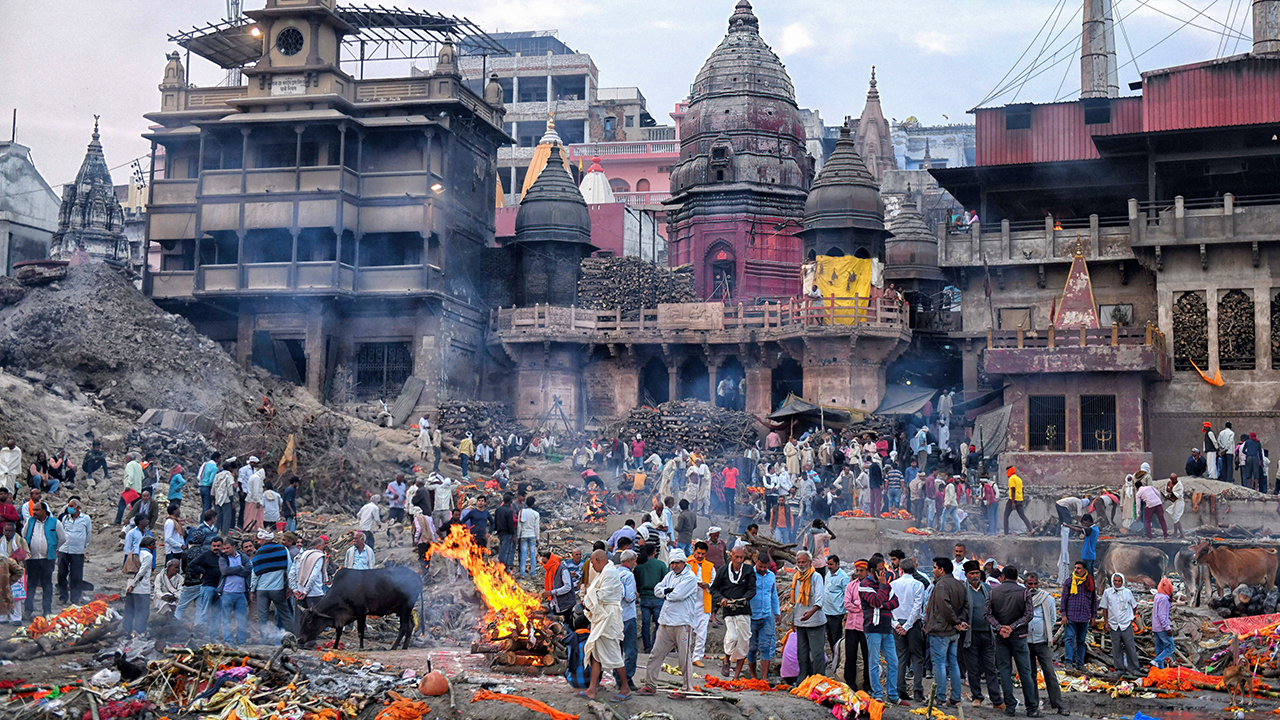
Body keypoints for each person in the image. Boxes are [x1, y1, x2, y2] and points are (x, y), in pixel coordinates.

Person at [641, 549, 698, 696]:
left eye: (676, 562)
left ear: (684, 562)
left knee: (684, 658)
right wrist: (668, 591)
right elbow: (657, 590)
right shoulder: (670, 575)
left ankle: (687, 689)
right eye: (672, 563)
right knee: (655, 655)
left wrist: (666, 593)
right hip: (665, 623)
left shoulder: (690, 578)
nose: (674, 565)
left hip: (682, 624)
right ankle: (650, 685)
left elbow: (677, 595)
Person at [986, 565, 1038, 718]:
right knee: (1025, 673)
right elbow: (1029, 615)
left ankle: (1010, 707)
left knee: (1004, 672)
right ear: (1017, 577)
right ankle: (1031, 708)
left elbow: (987, 614)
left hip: (1001, 638)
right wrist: (1013, 627)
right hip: (1020, 638)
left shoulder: (993, 592)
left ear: (1002, 577)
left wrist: (1000, 627)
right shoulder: (1023, 593)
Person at [582, 550, 629, 701]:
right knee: (596, 653)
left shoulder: (610, 573)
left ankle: (625, 688)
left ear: (596, 559)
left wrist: (588, 598)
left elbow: (603, 595)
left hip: (609, 617)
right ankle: (591, 689)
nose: (592, 566)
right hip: (602, 616)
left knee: (614, 653)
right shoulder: (604, 572)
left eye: (592, 562)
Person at [860, 555, 905, 705]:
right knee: (874, 662)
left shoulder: (886, 584)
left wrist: (883, 604)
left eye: (884, 570)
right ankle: (877, 694)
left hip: (887, 627)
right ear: (872, 571)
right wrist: (882, 586)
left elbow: (895, 602)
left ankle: (892, 694)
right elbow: (876, 601)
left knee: (893, 662)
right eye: (880, 570)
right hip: (872, 629)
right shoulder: (864, 585)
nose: (884, 573)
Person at [925, 557, 969, 709]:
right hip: (953, 632)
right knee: (953, 663)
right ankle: (956, 698)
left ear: (942, 570)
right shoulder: (959, 584)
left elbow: (944, 607)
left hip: (941, 631)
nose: (933, 570)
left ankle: (941, 697)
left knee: (939, 664)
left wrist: (956, 622)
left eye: (935, 567)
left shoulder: (941, 585)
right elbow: (965, 606)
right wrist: (959, 622)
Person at [963, 559, 1004, 709]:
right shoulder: (963, 590)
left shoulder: (987, 589)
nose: (975, 576)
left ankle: (996, 700)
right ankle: (977, 697)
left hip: (988, 634)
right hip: (970, 635)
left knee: (990, 667)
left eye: (977, 573)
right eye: (972, 574)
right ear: (966, 575)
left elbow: (996, 608)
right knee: (973, 668)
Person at [1025, 573, 1067, 715]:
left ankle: (1058, 704)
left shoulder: (1046, 598)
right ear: (1025, 584)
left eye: (1035, 584)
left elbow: (1053, 618)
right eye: (1030, 584)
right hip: (1026, 641)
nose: (1033, 587)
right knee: (1030, 674)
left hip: (1042, 641)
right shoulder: (1021, 598)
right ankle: (1033, 706)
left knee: (1049, 673)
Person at [713, 546, 757, 678]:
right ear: (731, 556)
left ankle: (736, 676)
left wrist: (743, 599)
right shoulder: (723, 570)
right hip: (728, 610)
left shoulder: (748, 570)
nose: (738, 560)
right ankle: (726, 659)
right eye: (736, 557)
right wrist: (722, 599)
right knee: (732, 637)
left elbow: (753, 589)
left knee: (744, 642)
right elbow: (714, 589)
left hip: (743, 610)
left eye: (741, 557)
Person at [891, 558, 927, 703]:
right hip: (913, 624)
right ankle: (918, 691)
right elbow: (917, 607)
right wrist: (908, 625)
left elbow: (890, 606)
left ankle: (900, 690)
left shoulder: (892, 584)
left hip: (898, 623)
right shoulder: (919, 585)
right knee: (917, 657)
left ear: (900, 570)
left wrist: (896, 625)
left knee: (901, 657)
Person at [790, 550, 828, 683]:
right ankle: (803, 681)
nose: (801, 564)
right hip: (800, 622)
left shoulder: (816, 577)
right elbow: (795, 602)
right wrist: (794, 620)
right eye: (799, 562)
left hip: (815, 622)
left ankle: (819, 681)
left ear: (810, 563)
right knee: (802, 653)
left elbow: (820, 599)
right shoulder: (796, 577)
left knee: (817, 653)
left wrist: (811, 612)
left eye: (803, 562)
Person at [23, 501, 62, 618]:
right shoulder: (30, 521)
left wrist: (54, 549)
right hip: (32, 558)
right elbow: (24, 535)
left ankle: (47, 610)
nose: (34, 512)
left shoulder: (55, 522)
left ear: (44, 510)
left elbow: (62, 538)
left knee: (47, 584)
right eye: (33, 510)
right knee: (31, 584)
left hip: (47, 559)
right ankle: (28, 610)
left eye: (37, 510)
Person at [251, 533, 293, 636]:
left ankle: (265, 639)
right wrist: (290, 586)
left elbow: (255, 574)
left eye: (260, 540)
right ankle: (292, 636)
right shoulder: (283, 550)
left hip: (262, 589)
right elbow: (290, 568)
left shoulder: (259, 553)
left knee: (262, 617)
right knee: (285, 615)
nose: (258, 542)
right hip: (277, 589)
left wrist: (252, 590)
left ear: (265, 540)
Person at [1100, 573, 1140, 676]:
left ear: (1122, 582)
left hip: (1126, 623)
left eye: (1119, 581)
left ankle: (1134, 668)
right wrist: (1106, 623)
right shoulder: (1107, 592)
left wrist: (1130, 617)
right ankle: (1119, 669)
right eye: (1115, 581)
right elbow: (1105, 608)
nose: (1117, 583)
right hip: (1113, 624)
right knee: (1116, 647)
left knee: (1130, 646)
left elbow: (1134, 606)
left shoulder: (1127, 592)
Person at [749, 551, 780, 681]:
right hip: (751, 616)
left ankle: (764, 678)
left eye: (764, 567)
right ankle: (753, 676)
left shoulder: (771, 576)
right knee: (751, 648)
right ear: (756, 563)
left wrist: (777, 612)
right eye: (760, 567)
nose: (762, 569)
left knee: (766, 647)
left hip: (767, 616)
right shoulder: (749, 574)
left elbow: (773, 595)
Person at [1061, 562, 1097, 670]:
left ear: (1084, 570)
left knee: (1081, 641)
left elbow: (1094, 600)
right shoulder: (1069, 582)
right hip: (1071, 616)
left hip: (1084, 617)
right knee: (1069, 639)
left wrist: (1093, 616)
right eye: (1075, 568)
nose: (1076, 570)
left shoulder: (1089, 582)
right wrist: (1063, 614)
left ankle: (1080, 664)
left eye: (1079, 568)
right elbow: (1064, 599)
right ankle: (1068, 662)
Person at [843, 560, 870, 692]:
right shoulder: (851, 586)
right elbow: (846, 604)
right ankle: (850, 684)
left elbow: (869, 605)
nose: (859, 573)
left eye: (861, 571)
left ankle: (867, 685)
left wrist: (856, 604)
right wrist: (860, 605)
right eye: (857, 570)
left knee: (867, 656)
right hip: (851, 626)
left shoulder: (870, 586)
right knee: (850, 656)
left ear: (867, 571)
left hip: (865, 626)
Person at [686, 542, 715, 668]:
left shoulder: (710, 566)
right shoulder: (686, 563)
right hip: (688, 603)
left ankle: (697, 657)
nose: (700, 556)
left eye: (703, 554)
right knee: (686, 632)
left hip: (704, 603)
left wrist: (707, 585)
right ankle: (685, 656)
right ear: (694, 550)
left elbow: (714, 582)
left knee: (702, 632)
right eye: (698, 553)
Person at [57, 498, 90, 605]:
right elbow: (61, 532)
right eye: (69, 506)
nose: (69, 508)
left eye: (72, 506)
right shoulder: (65, 518)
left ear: (78, 508)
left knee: (76, 575)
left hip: (77, 551)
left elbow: (88, 534)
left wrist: (83, 545)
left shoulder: (85, 519)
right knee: (61, 574)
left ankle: (75, 598)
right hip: (64, 549)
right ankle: (63, 596)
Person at [218, 536, 250, 645]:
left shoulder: (243, 557)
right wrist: (240, 568)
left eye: (227, 548)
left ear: (234, 547)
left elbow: (249, 569)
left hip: (241, 593)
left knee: (242, 619)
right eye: (224, 548)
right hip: (227, 593)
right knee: (226, 619)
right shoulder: (223, 558)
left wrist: (235, 570)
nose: (225, 550)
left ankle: (241, 642)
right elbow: (225, 571)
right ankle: (229, 642)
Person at [616, 550, 640, 689]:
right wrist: (636, 595)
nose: (635, 564)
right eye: (634, 561)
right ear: (629, 561)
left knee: (617, 650)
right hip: (628, 616)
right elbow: (629, 596)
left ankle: (618, 678)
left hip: (616, 617)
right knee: (630, 650)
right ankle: (627, 679)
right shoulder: (629, 575)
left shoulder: (616, 573)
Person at [123, 536, 155, 636]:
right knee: (142, 613)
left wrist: (130, 585)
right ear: (148, 545)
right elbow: (141, 572)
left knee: (129, 611)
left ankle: (126, 631)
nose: (155, 547)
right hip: (141, 589)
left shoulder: (135, 553)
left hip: (130, 588)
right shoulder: (148, 555)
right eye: (153, 545)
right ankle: (139, 632)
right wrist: (134, 584)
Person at [822, 554, 851, 657]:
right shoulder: (828, 574)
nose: (829, 566)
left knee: (836, 638)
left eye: (831, 564)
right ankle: (834, 658)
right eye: (828, 564)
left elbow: (847, 596)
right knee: (829, 637)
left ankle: (838, 659)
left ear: (837, 564)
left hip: (837, 613)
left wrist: (847, 613)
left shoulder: (843, 577)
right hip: (826, 612)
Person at [0, 522, 28, 624]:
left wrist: (17, 558)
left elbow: (28, 554)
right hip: (3, 570)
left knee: (16, 595)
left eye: (9, 531)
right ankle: (3, 617)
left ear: (14, 531)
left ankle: (16, 618)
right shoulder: (1, 541)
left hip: (16, 570)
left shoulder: (20, 540)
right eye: (5, 530)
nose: (7, 532)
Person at [541, 549, 576, 625]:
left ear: (550, 561)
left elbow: (568, 587)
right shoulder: (550, 570)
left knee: (567, 627)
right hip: (555, 605)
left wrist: (552, 592)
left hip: (565, 605)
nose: (543, 565)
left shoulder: (562, 570)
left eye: (545, 562)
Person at [1152, 577, 1175, 669]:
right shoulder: (1164, 598)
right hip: (1162, 628)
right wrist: (1167, 628)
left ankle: (1159, 670)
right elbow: (1162, 615)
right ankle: (1156, 661)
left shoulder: (1158, 596)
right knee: (1170, 648)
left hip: (1155, 627)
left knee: (1160, 649)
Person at [1003, 466, 1031, 535]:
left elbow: (1013, 490)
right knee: (1022, 515)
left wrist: (1013, 502)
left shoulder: (1011, 479)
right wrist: (1021, 498)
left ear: (1009, 471)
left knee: (1006, 515)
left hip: (1013, 499)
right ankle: (1031, 529)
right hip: (1020, 499)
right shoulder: (1019, 479)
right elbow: (1022, 489)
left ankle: (1006, 533)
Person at [518, 496, 540, 578]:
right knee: (532, 554)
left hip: (524, 535)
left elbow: (519, 525)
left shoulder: (522, 512)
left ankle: (522, 574)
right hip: (532, 536)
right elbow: (536, 527)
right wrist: (538, 538)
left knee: (523, 555)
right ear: (533, 504)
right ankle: (533, 573)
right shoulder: (536, 514)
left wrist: (518, 536)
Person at [212, 461, 237, 534]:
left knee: (217, 517)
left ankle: (215, 532)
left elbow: (213, 487)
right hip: (226, 499)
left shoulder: (218, 475)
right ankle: (224, 533)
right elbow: (230, 489)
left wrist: (213, 498)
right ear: (230, 468)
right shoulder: (229, 476)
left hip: (217, 498)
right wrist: (232, 500)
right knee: (227, 517)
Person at [494, 493, 517, 570]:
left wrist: (496, 529)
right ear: (510, 501)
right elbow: (510, 524)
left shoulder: (498, 509)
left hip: (500, 532)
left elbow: (495, 521)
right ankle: (503, 567)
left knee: (502, 548)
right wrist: (513, 535)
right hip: (507, 533)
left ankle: (503, 566)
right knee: (505, 550)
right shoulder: (509, 511)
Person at [161, 502, 184, 566]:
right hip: (172, 552)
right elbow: (168, 538)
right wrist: (180, 545)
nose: (179, 511)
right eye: (178, 509)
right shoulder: (170, 522)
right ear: (174, 511)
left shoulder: (176, 521)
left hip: (178, 551)